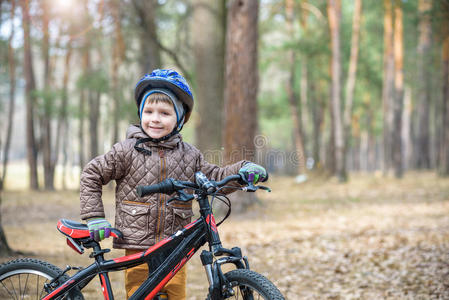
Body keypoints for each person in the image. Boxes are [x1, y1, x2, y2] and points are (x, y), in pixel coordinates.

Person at [79, 69, 268, 299]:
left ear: (180, 118)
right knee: (140, 294)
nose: (155, 119)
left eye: (164, 113)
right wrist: (94, 216)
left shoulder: (190, 155)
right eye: (148, 111)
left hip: (176, 247)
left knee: (176, 295)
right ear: (140, 113)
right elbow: (91, 174)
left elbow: (215, 176)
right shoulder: (126, 151)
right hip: (138, 248)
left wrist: (242, 169)